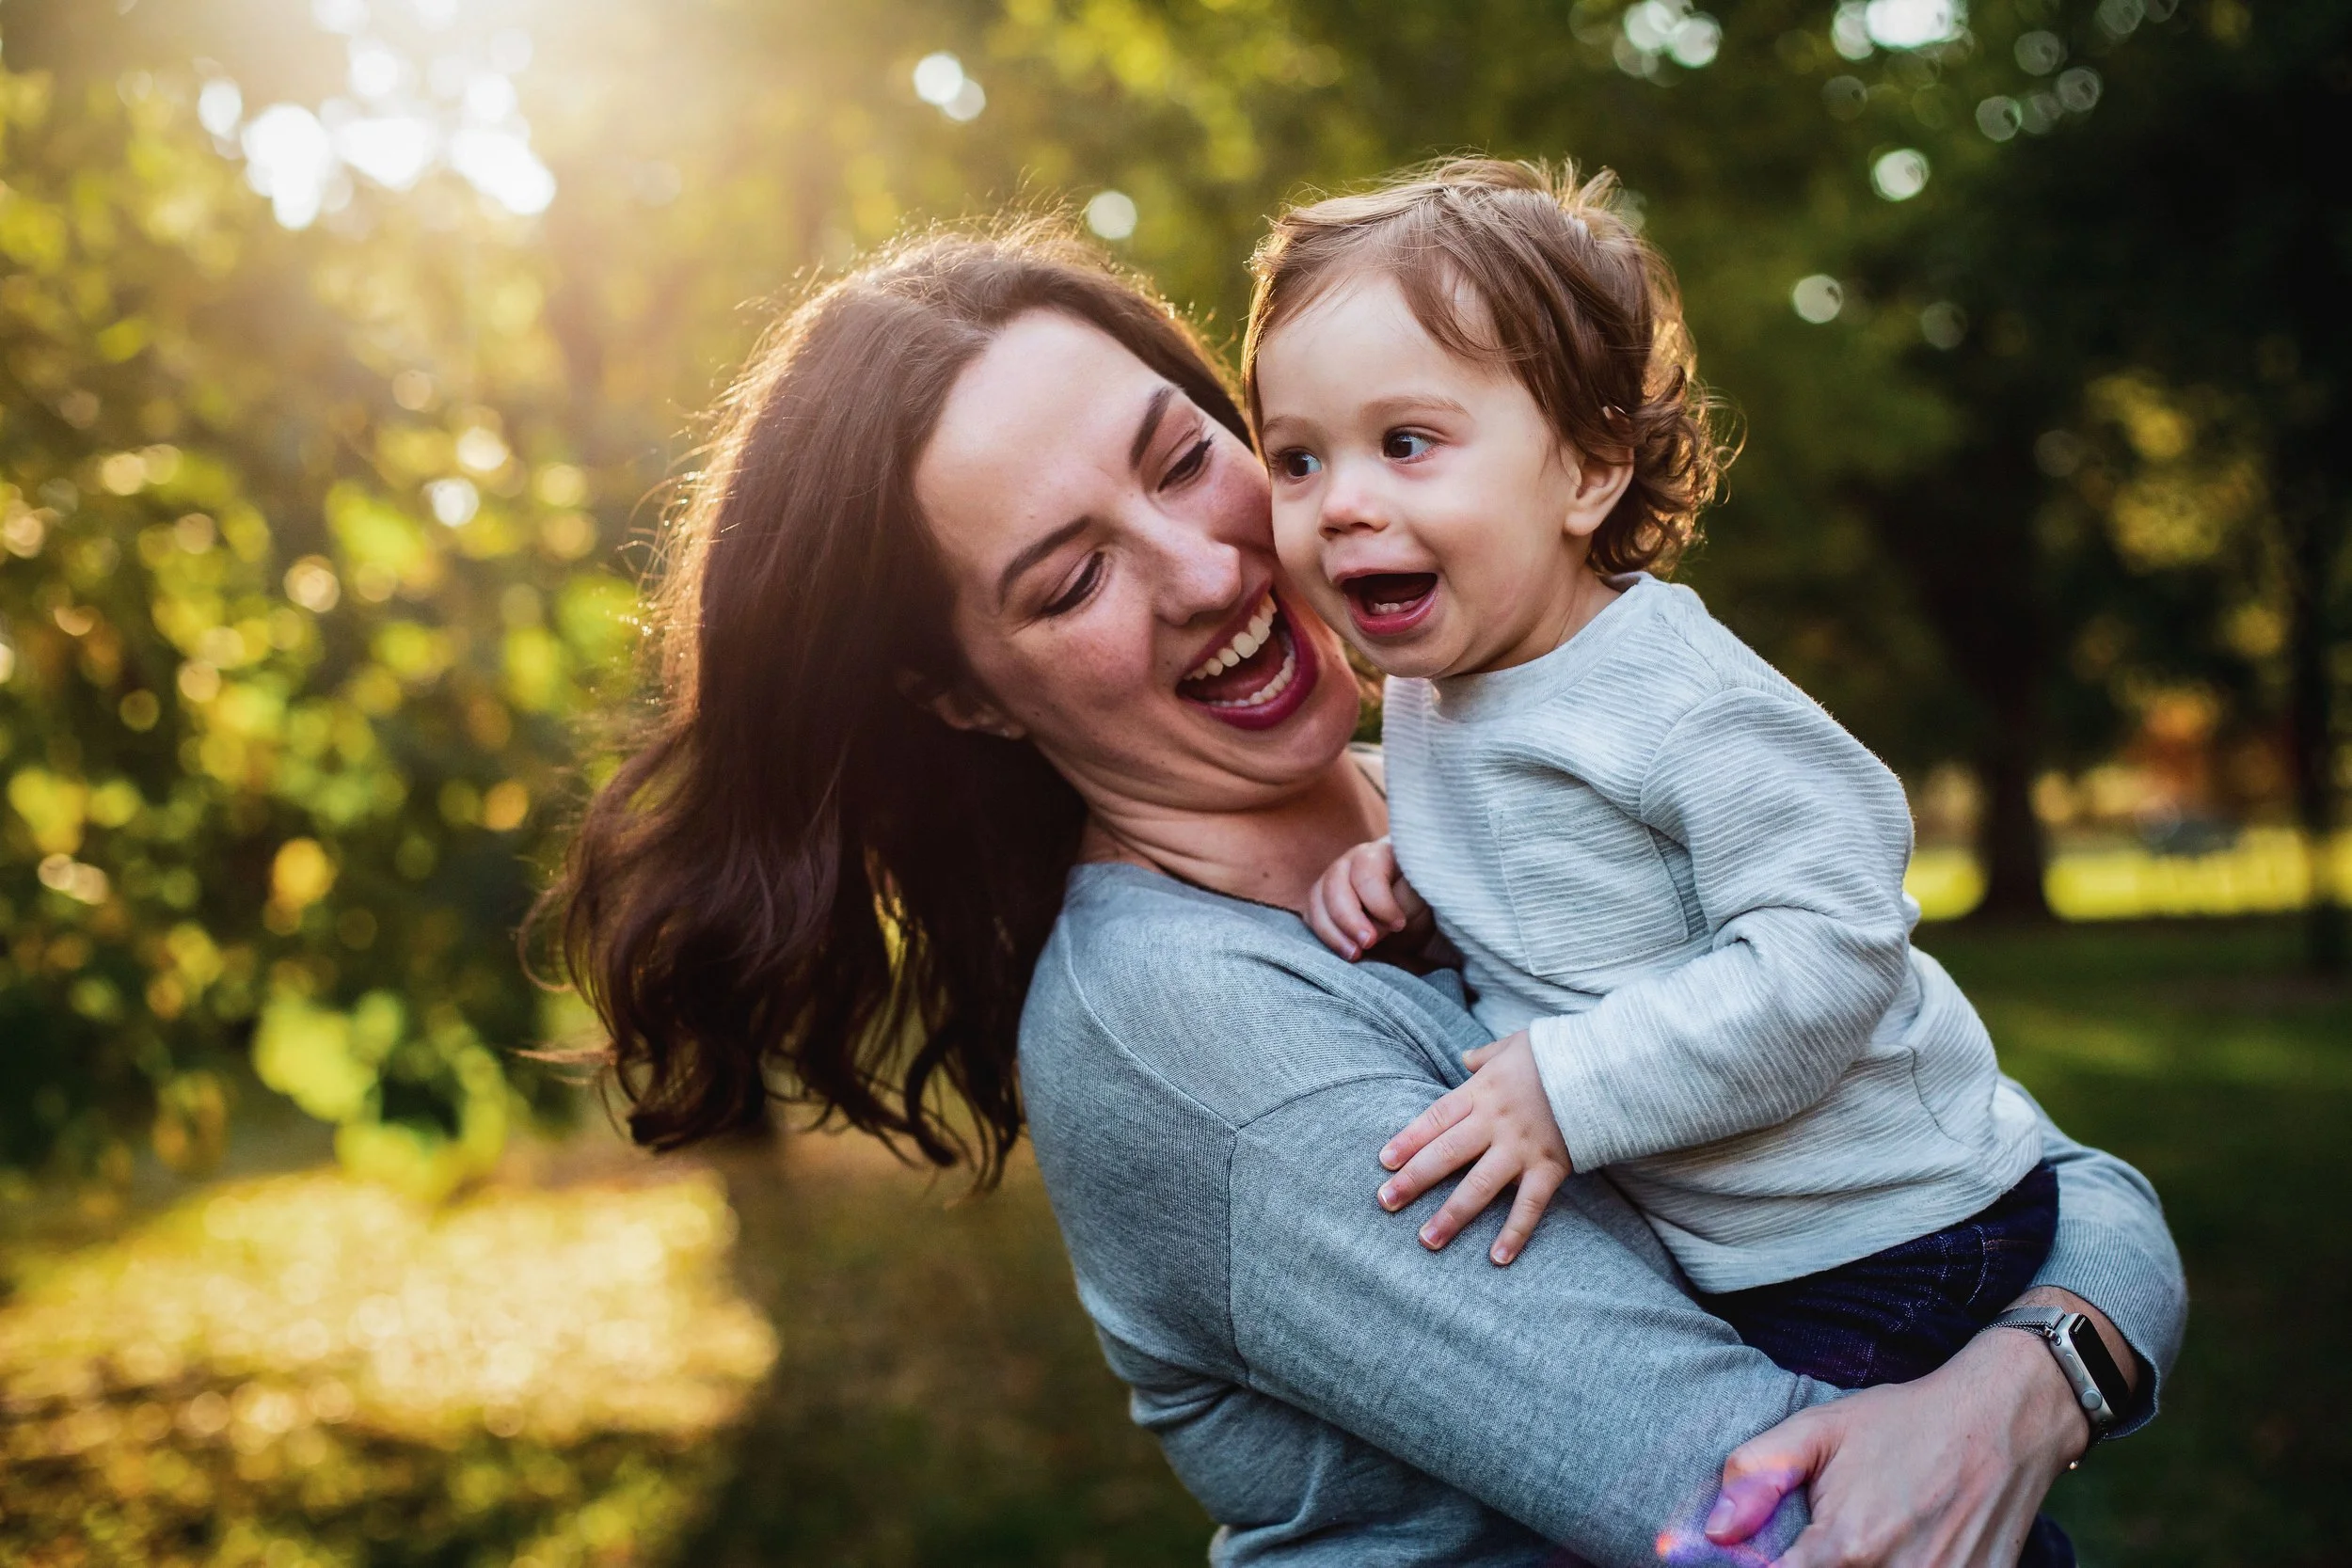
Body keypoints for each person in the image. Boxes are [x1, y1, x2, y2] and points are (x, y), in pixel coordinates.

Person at [537, 217, 2186, 1566]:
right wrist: (2051, 1352)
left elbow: (1976, 1143)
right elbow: (1779, 1516)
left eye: (1187, 460)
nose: (1209, 571)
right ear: (962, 695)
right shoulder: (1187, 1030)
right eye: (1073, 576)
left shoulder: (1481, 797)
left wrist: (2036, 1356)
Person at [1254, 158, 2071, 1412]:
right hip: (1739, 1242)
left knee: (1795, 1516)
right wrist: (1418, 879)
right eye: (1297, 460)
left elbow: (1831, 952)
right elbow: (1557, 869)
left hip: (1885, 1219)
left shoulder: (1684, 698)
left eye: (1406, 442)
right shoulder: (1435, 687)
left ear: (1588, 470)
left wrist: (1569, 1086)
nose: (1344, 503)